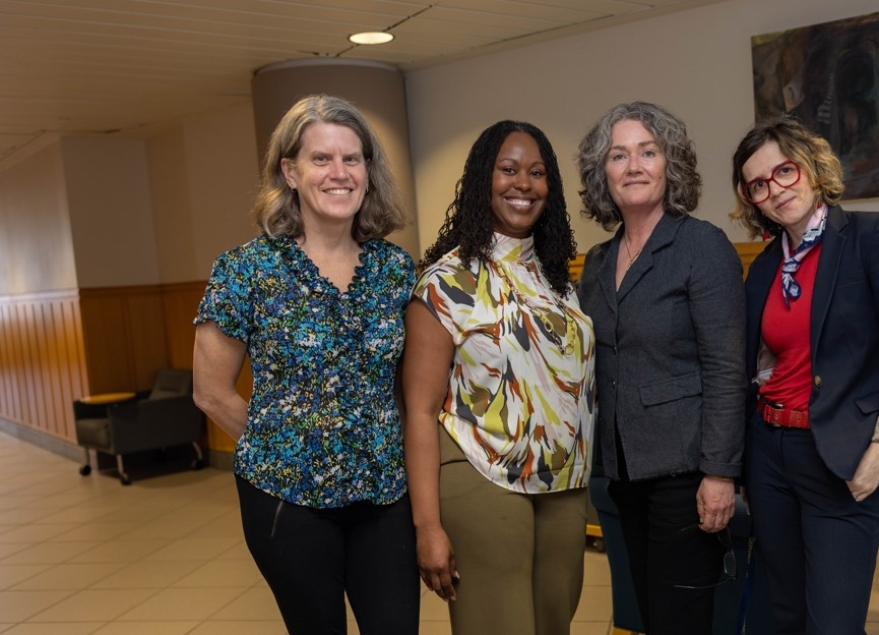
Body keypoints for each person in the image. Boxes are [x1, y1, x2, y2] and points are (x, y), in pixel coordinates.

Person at [192, 94, 418, 635]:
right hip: (286, 501)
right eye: (321, 159)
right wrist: (284, 446)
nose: (339, 173)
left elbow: (413, 388)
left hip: (385, 495)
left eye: (352, 158)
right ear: (290, 172)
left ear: (368, 170)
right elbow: (210, 392)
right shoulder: (246, 270)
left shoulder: (396, 270)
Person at [730, 115, 879, 635]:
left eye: (785, 171)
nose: (775, 189)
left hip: (841, 458)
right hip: (771, 455)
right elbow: (758, 363)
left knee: (833, 625)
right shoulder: (766, 267)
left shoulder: (875, 236)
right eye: (758, 185)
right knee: (786, 617)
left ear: (813, 168)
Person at [401, 120, 596, 635]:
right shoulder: (445, 282)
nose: (522, 184)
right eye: (508, 170)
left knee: (555, 622)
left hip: (564, 483)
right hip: (480, 474)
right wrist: (427, 527)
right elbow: (419, 411)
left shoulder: (559, 280)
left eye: (536, 172)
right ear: (481, 180)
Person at [576, 101, 747, 635]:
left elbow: (726, 367)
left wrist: (719, 473)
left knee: (680, 620)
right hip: (624, 471)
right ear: (602, 173)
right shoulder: (599, 260)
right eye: (618, 155)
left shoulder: (702, 245)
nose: (633, 166)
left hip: (686, 469)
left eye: (647, 152)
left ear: (669, 164)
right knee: (651, 615)